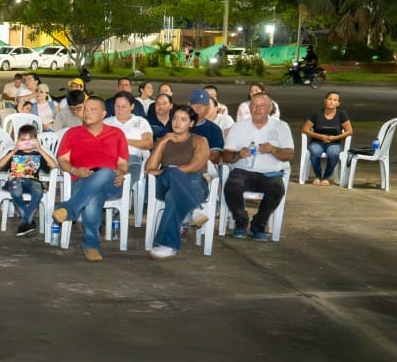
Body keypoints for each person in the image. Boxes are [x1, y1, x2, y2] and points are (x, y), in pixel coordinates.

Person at [52, 96, 130, 261]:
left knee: (106, 172)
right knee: (94, 195)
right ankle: (91, 246)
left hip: (111, 182)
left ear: (103, 114)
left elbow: (122, 163)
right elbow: (63, 160)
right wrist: (75, 170)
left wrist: (122, 173)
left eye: (92, 110)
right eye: (85, 109)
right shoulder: (72, 133)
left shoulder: (116, 134)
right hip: (81, 180)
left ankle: (70, 208)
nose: (87, 113)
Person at [221, 92, 294, 240]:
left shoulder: (281, 126)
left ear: (270, 108)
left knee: (276, 189)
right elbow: (226, 156)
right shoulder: (239, 126)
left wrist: (273, 149)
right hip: (243, 171)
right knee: (232, 185)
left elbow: (289, 155)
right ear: (249, 107)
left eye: (262, 105)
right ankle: (240, 221)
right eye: (254, 105)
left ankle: (259, 224)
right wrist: (239, 154)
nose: (257, 109)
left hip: (270, 173)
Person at [144, 104, 212, 260]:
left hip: (195, 184)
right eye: (175, 118)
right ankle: (193, 209)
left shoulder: (199, 140)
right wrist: (162, 142)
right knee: (170, 176)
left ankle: (167, 245)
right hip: (165, 183)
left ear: (192, 123)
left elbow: (197, 164)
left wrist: (167, 170)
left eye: (183, 119)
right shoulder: (164, 140)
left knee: (173, 196)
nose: (177, 122)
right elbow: (150, 168)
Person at [0, 124, 57, 239]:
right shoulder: (14, 153)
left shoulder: (38, 154)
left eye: (30, 140)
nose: (26, 143)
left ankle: (25, 223)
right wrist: (14, 150)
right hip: (15, 179)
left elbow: (53, 165)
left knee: (38, 191)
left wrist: (40, 149)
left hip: (33, 181)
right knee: (16, 190)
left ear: (36, 140)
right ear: (18, 140)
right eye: (23, 140)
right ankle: (29, 222)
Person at [303, 91, 353, 185]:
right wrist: (320, 136)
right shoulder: (317, 113)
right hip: (317, 142)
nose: (331, 102)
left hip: (334, 142)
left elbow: (349, 131)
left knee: (333, 152)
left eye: (335, 100)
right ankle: (318, 176)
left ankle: (326, 177)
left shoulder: (341, 114)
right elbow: (305, 129)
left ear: (338, 103)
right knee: (315, 151)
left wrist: (335, 138)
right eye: (330, 99)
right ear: (325, 101)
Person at [105, 92, 154, 184]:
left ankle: (119, 191)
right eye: (117, 106)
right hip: (109, 159)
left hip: (132, 159)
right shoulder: (106, 123)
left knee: (126, 178)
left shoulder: (140, 121)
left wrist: (123, 141)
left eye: (124, 107)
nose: (120, 110)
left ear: (132, 106)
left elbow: (148, 143)